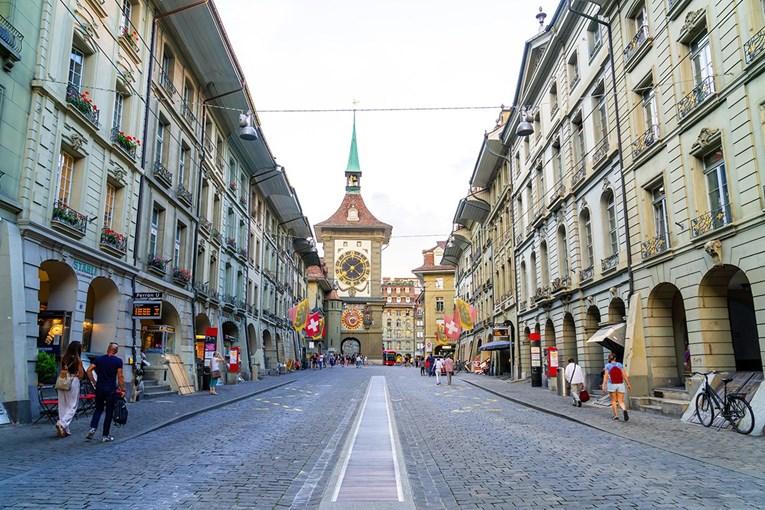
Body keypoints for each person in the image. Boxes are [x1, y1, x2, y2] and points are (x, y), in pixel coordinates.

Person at [86, 342, 125, 442]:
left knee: (98, 409)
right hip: (110, 389)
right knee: (109, 412)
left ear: (108, 349)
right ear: (116, 351)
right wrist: (122, 389)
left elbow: (89, 370)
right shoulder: (118, 361)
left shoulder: (99, 359)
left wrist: (94, 382)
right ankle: (105, 435)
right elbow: (120, 376)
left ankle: (93, 428)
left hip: (99, 388)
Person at [56, 341, 84, 437]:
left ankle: (65, 430)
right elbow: (81, 375)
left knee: (62, 405)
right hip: (73, 381)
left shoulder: (64, 358)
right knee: (72, 406)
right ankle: (62, 424)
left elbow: (62, 370)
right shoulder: (78, 360)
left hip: (63, 381)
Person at [602, 353, 632, 421]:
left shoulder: (607, 366)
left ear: (609, 359)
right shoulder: (619, 365)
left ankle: (616, 416)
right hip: (620, 384)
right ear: (615, 358)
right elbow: (624, 375)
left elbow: (606, 376)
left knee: (613, 401)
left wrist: (604, 385)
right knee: (621, 401)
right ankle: (624, 410)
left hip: (612, 384)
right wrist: (628, 384)